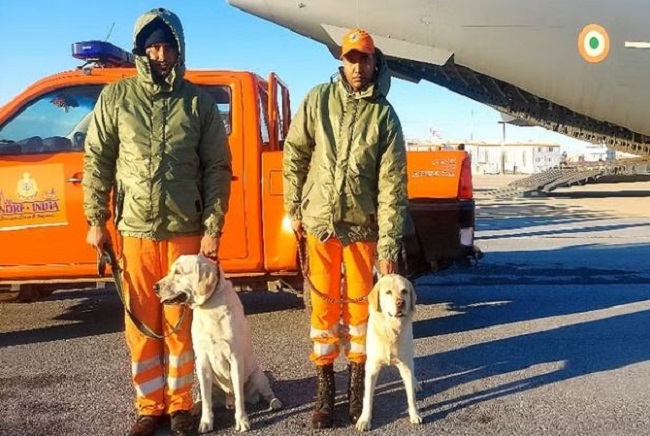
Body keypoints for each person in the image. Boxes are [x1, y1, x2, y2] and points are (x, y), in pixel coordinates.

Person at [82, 8, 231, 436]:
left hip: (185, 233)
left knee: (181, 325)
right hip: (135, 233)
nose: (160, 54)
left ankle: (181, 405)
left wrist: (212, 228)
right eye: (152, 46)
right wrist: (96, 219)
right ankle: (150, 406)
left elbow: (217, 169)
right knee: (142, 324)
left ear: (179, 49)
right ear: (140, 50)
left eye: (167, 46)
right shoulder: (116, 99)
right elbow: (97, 162)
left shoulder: (197, 102)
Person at [283, 28, 408, 429]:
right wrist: (294, 206)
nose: (358, 66)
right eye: (351, 59)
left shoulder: (385, 116)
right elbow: (296, 152)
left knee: (360, 313)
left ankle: (357, 392)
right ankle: (325, 394)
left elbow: (392, 187)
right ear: (342, 62)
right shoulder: (318, 100)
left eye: (365, 59)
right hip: (320, 226)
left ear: (375, 63)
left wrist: (388, 245)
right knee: (322, 313)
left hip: (361, 230)